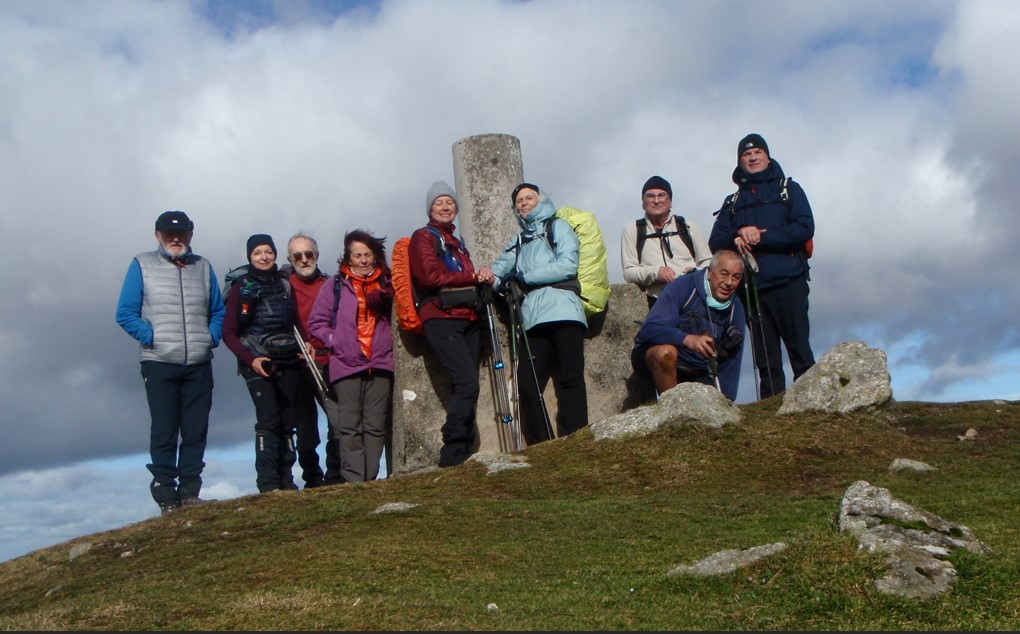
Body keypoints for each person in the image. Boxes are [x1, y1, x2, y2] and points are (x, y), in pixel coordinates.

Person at [116, 210, 225, 515]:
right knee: (164, 429)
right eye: (168, 234)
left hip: (199, 363)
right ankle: (166, 495)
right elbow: (125, 313)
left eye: (182, 233)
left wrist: (210, 337)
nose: (175, 239)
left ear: (191, 234)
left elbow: (218, 311)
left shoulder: (203, 267)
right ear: (157, 236)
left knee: (195, 429)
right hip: (159, 362)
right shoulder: (142, 264)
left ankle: (190, 492)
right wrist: (151, 336)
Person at [708, 133, 815, 398]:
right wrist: (737, 237)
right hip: (751, 288)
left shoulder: (788, 189)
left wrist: (760, 237)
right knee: (765, 360)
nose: (753, 157)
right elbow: (715, 242)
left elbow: (804, 228)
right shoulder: (731, 202)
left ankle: (813, 406)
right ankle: (771, 414)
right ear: (739, 162)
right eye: (746, 154)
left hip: (789, 281)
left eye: (758, 152)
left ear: (768, 157)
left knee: (799, 349)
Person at [489, 183, 588, 444]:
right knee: (526, 382)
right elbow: (497, 272)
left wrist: (524, 278)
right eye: (519, 201)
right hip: (533, 317)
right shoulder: (520, 240)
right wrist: (500, 283)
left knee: (570, 376)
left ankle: (576, 438)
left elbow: (568, 265)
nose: (524, 203)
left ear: (540, 200)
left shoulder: (558, 227)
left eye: (529, 197)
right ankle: (544, 442)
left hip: (564, 308)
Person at [409, 181, 494, 468]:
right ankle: (452, 452)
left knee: (468, 387)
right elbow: (429, 277)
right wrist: (473, 277)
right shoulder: (423, 236)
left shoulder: (459, 245)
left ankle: (464, 451)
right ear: (430, 209)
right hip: (442, 318)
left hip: (468, 318)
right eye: (439, 203)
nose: (445, 207)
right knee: (467, 383)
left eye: (449, 202)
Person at [223, 234, 312, 493]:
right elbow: (228, 332)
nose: (264, 257)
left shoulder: (285, 284)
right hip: (256, 362)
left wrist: (305, 343)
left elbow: (295, 322)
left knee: (287, 421)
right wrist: (251, 360)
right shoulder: (241, 286)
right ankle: (268, 483)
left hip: (288, 359)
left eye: (268, 251)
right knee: (269, 420)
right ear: (250, 257)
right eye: (257, 253)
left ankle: (286, 481)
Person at [308, 229, 394, 482]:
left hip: (380, 364)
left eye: (368, 254)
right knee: (349, 428)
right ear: (348, 257)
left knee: (376, 427)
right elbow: (317, 322)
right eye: (358, 255)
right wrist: (336, 340)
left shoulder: (388, 284)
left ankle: (369, 479)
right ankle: (355, 481)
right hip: (346, 365)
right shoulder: (334, 285)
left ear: (376, 256)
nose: (364, 260)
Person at [631, 250, 747, 401]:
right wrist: (686, 339)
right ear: (710, 272)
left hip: (700, 370)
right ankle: (672, 412)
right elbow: (648, 330)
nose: (729, 282)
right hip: (659, 359)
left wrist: (726, 403)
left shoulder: (736, 309)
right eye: (724, 274)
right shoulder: (683, 286)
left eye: (736, 277)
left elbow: (732, 362)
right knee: (666, 353)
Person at [282, 233, 340, 487]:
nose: (304, 260)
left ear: (317, 255)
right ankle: (312, 477)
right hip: (298, 363)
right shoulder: (283, 288)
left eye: (309, 254)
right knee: (305, 428)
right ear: (289, 259)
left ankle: (334, 474)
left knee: (337, 420)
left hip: (329, 361)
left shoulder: (331, 284)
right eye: (298, 255)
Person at [621, 175, 712, 309]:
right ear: (643, 203)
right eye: (650, 196)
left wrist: (695, 272)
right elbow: (629, 272)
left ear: (670, 201)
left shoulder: (688, 226)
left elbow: (708, 262)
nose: (656, 200)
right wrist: (656, 272)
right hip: (655, 302)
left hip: (692, 297)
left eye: (662, 195)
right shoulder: (632, 230)